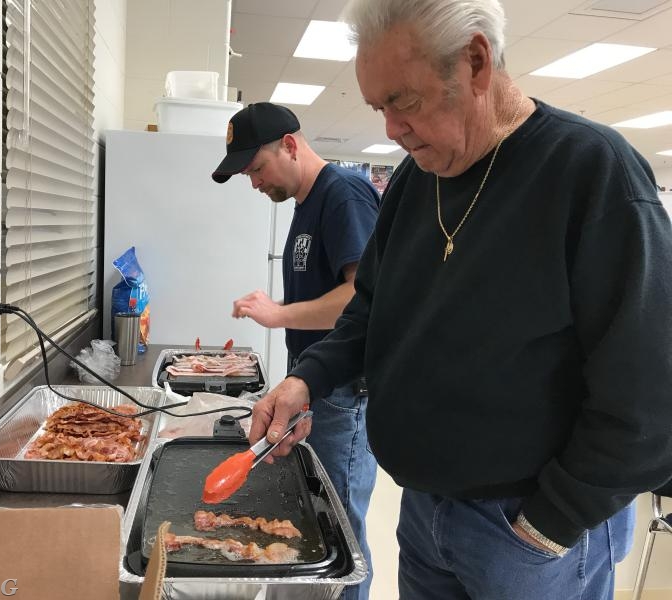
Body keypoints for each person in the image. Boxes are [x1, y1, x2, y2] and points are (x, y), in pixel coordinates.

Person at [246, 1, 672, 599]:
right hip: (426, 512)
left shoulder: (590, 172)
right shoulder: (415, 181)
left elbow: (650, 390)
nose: (391, 128)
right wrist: (306, 381)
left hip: (527, 532)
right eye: (379, 107)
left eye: (404, 101)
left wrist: (552, 520)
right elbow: (369, 309)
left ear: (475, 62)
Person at [211, 102, 381, 600]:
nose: (255, 183)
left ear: (290, 144)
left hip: (345, 396)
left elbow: (362, 298)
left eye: (256, 168)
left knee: (342, 533)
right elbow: (325, 299)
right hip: (315, 388)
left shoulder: (343, 194)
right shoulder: (307, 204)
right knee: (319, 521)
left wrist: (278, 314)